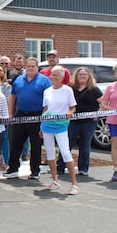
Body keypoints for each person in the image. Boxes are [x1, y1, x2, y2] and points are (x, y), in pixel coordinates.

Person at [6, 57, 51, 180]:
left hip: (37, 116)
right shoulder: (19, 80)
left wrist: (44, 118)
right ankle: (13, 168)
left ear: (37, 68)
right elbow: (12, 97)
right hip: (20, 115)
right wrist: (10, 114)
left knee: (35, 145)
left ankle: (35, 171)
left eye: (33, 66)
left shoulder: (44, 81)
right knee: (15, 143)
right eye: (28, 66)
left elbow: (48, 102)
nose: (30, 68)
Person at [41, 66, 79, 195]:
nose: (53, 77)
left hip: (61, 125)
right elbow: (45, 109)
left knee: (65, 152)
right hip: (47, 125)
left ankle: (74, 184)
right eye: (52, 74)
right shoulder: (47, 91)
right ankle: (55, 180)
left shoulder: (67, 90)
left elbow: (73, 107)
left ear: (62, 77)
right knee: (50, 153)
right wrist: (41, 125)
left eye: (56, 75)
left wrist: (69, 112)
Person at [67, 67, 103, 176]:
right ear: (76, 77)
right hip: (73, 120)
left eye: (84, 75)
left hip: (88, 121)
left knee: (85, 144)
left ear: (89, 77)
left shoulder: (94, 89)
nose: (82, 76)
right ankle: (61, 166)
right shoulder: (71, 88)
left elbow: (103, 103)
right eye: (80, 75)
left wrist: (98, 113)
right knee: (68, 143)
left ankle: (83, 169)